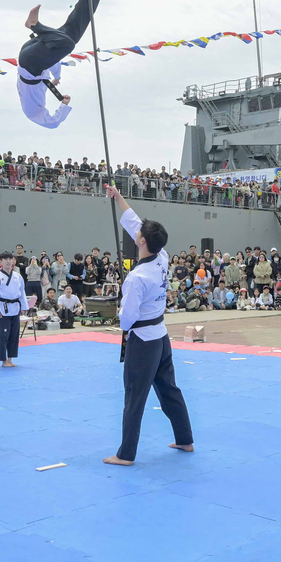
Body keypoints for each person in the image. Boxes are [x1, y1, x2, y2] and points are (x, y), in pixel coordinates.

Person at [101, 184, 193, 467]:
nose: (136, 232)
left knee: (135, 396)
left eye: (139, 234)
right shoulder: (162, 257)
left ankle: (126, 454)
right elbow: (134, 223)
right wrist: (118, 198)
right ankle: (185, 438)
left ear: (143, 242)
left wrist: (119, 306)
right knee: (169, 389)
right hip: (161, 336)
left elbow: (126, 319)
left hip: (142, 339)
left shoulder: (138, 277)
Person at [15, 0, 104, 128]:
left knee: (67, 44)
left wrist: (63, 105)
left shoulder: (32, 114)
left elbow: (53, 123)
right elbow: (54, 62)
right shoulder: (41, 85)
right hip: (31, 54)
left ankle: (34, 25)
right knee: (72, 33)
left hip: (30, 63)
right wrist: (56, 78)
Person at [0, 252, 24, 367]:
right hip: (3, 308)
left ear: (13, 261)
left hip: (15, 307)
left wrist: (23, 307)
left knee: (14, 335)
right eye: (5, 259)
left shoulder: (17, 276)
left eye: (10, 259)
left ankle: (10, 358)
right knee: (4, 335)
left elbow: (22, 293)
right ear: (0, 261)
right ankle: (3, 360)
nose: (8, 261)